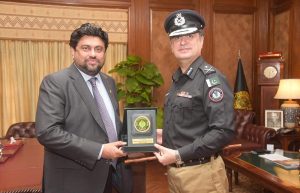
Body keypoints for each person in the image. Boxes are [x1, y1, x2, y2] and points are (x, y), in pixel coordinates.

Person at [35, 23, 132, 193]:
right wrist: (100, 150)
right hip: (73, 181)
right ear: (73, 51)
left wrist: (142, 136)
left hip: (107, 176)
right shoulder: (56, 82)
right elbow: (47, 132)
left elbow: (109, 123)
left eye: (99, 49)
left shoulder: (109, 82)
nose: (93, 54)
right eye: (86, 48)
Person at [154, 9, 235, 193]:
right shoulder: (177, 80)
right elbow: (190, 125)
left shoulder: (211, 80)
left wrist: (178, 154)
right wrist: (164, 134)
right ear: (171, 44)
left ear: (201, 40)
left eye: (189, 35)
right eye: (176, 37)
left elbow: (223, 131)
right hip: (176, 173)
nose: (182, 42)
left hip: (202, 175)